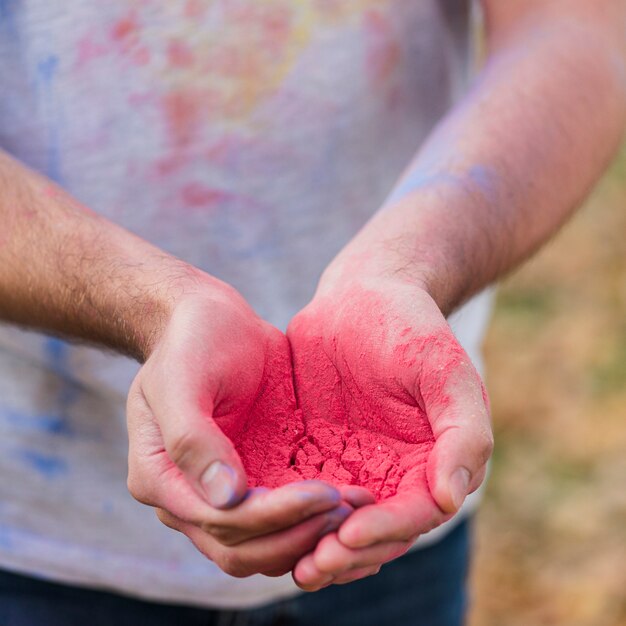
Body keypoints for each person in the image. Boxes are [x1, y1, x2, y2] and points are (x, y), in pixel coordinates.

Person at [0, 0, 623, 624]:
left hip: (398, 465)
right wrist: (149, 305)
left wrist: (403, 269)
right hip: (34, 537)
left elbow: (575, 29)